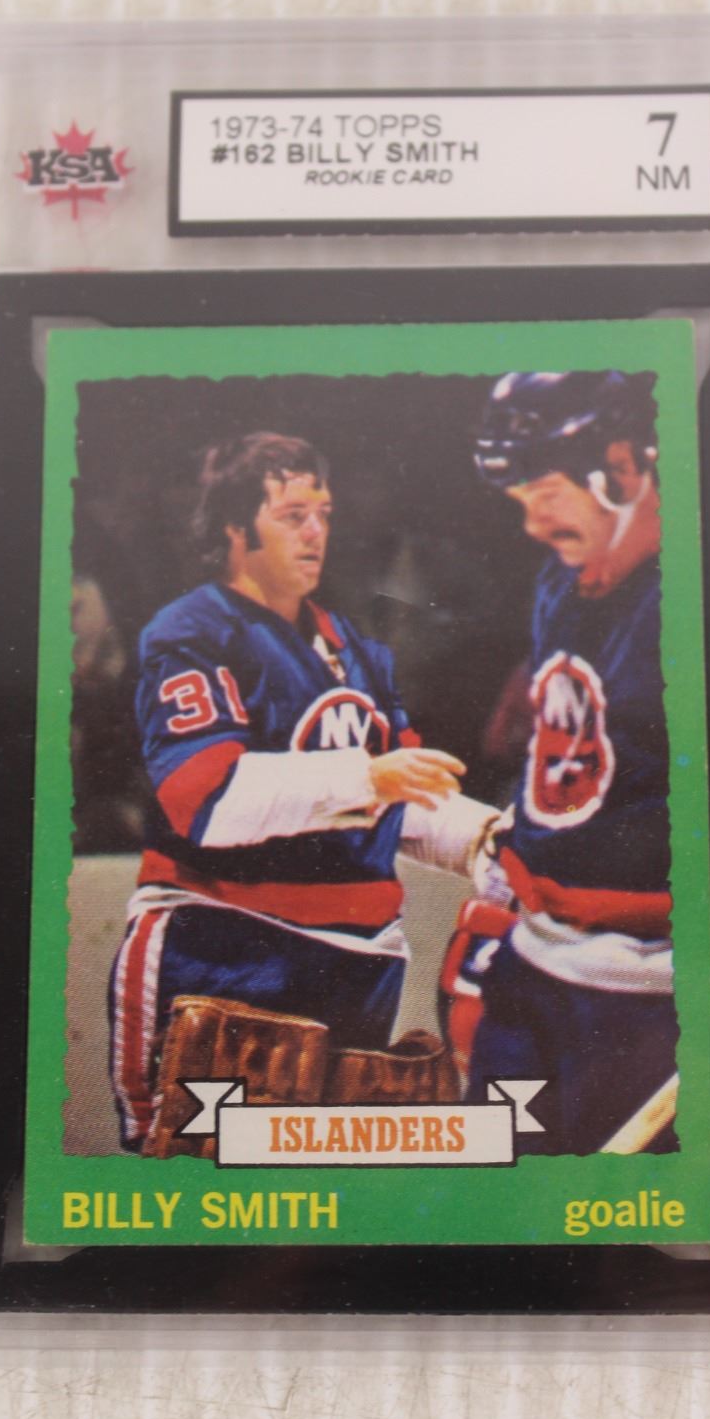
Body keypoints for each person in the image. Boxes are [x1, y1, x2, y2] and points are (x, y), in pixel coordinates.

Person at [109, 431, 497, 1150]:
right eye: (293, 515)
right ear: (235, 526)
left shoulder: (354, 648)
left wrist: (491, 842)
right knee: (189, 1177)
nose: (316, 531)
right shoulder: (194, 631)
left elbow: (406, 794)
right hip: (225, 950)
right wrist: (364, 776)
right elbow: (205, 802)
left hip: (360, 964)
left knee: (322, 1198)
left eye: (324, 513)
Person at [455, 371, 679, 1154]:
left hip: (646, 1003)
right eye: (520, 500)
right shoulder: (561, 583)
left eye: (544, 492)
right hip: (532, 971)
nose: (531, 522)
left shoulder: (704, 603)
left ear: (621, 467)